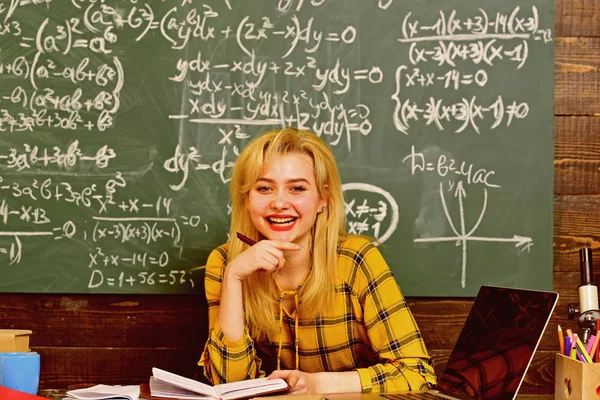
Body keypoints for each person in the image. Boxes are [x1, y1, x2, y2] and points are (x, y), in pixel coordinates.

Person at [199, 127, 436, 394]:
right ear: (246, 199)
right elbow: (229, 386)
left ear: (323, 199)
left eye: (297, 188)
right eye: (264, 188)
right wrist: (234, 277)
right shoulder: (225, 262)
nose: (279, 203)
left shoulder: (357, 259)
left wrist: (315, 383)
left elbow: (416, 372)